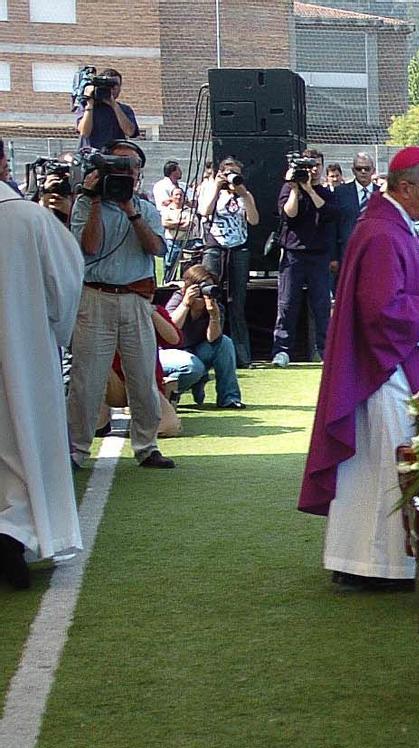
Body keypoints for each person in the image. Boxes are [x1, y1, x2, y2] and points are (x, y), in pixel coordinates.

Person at [300, 146, 419, 592]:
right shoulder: (383, 234)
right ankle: (383, 563)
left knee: (372, 469)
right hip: (387, 370)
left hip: (390, 366)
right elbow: (381, 311)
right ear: (404, 188)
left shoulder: (388, 225)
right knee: (390, 465)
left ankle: (360, 557)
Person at [0, 137, 86, 588]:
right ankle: (13, 535)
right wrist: (54, 331)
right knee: (21, 440)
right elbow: (65, 284)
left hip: (24, 348)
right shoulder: (31, 219)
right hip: (21, 352)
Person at [66, 139, 172, 470]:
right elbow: (90, 247)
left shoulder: (149, 209)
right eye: (116, 164)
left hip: (136, 299)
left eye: (129, 166)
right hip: (95, 297)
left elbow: (155, 248)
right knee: (87, 378)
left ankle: (147, 446)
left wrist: (132, 211)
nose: (123, 171)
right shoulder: (85, 205)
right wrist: (95, 200)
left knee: (143, 376)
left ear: (139, 173)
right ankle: (76, 451)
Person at [273, 150, 332, 367]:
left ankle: (326, 351)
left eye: (317, 165)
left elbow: (327, 213)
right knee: (287, 303)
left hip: (318, 255)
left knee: (321, 306)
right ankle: (281, 350)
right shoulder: (289, 189)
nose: (313, 170)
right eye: (310, 166)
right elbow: (289, 214)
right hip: (293, 254)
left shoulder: (325, 192)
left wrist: (309, 189)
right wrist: (295, 189)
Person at [197, 157, 259, 358]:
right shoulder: (210, 190)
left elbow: (254, 220)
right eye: (228, 172)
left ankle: (242, 354)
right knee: (212, 298)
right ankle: (209, 350)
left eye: (236, 173)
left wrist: (244, 195)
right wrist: (216, 186)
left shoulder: (245, 194)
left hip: (239, 249)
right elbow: (204, 211)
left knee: (237, 303)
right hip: (215, 248)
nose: (232, 177)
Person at [163, 262, 243, 410]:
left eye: (209, 287)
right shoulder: (178, 298)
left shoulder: (215, 305)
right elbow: (170, 332)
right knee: (193, 367)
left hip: (198, 350)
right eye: (201, 287)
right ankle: (169, 392)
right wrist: (186, 304)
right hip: (173, 352)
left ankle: (229, 398)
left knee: (225, 343)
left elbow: (213, 339)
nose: (204, 292)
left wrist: (214, 315)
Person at [329, 154, 377, 280]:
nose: (363, 172)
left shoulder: (382, 194)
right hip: (347, 253)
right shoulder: (341, 192)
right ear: (353, 170)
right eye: (359, 168)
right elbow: (333, 226)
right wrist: (333, 257)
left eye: (367, 168)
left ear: (373, 170)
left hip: (375, 253)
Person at [73, 69, 138, 151]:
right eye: (109, 86)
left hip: (115, 155)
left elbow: (130, 132)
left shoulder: (124, 109)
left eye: (116, 85)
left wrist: (114, 105)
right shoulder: (86, 106)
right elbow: (84, 133)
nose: (113, 89)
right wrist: (90, 104)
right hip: (90, 155)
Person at [153, 161, 194, 275]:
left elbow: (193, 202)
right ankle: (168, 282)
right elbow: (162, 204)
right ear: (172, 171)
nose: (181, 172)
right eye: (178, 169)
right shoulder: (161, 186)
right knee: (170, 262)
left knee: (187, 262)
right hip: (169, 222)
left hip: (186, 220)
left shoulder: (183, 186)